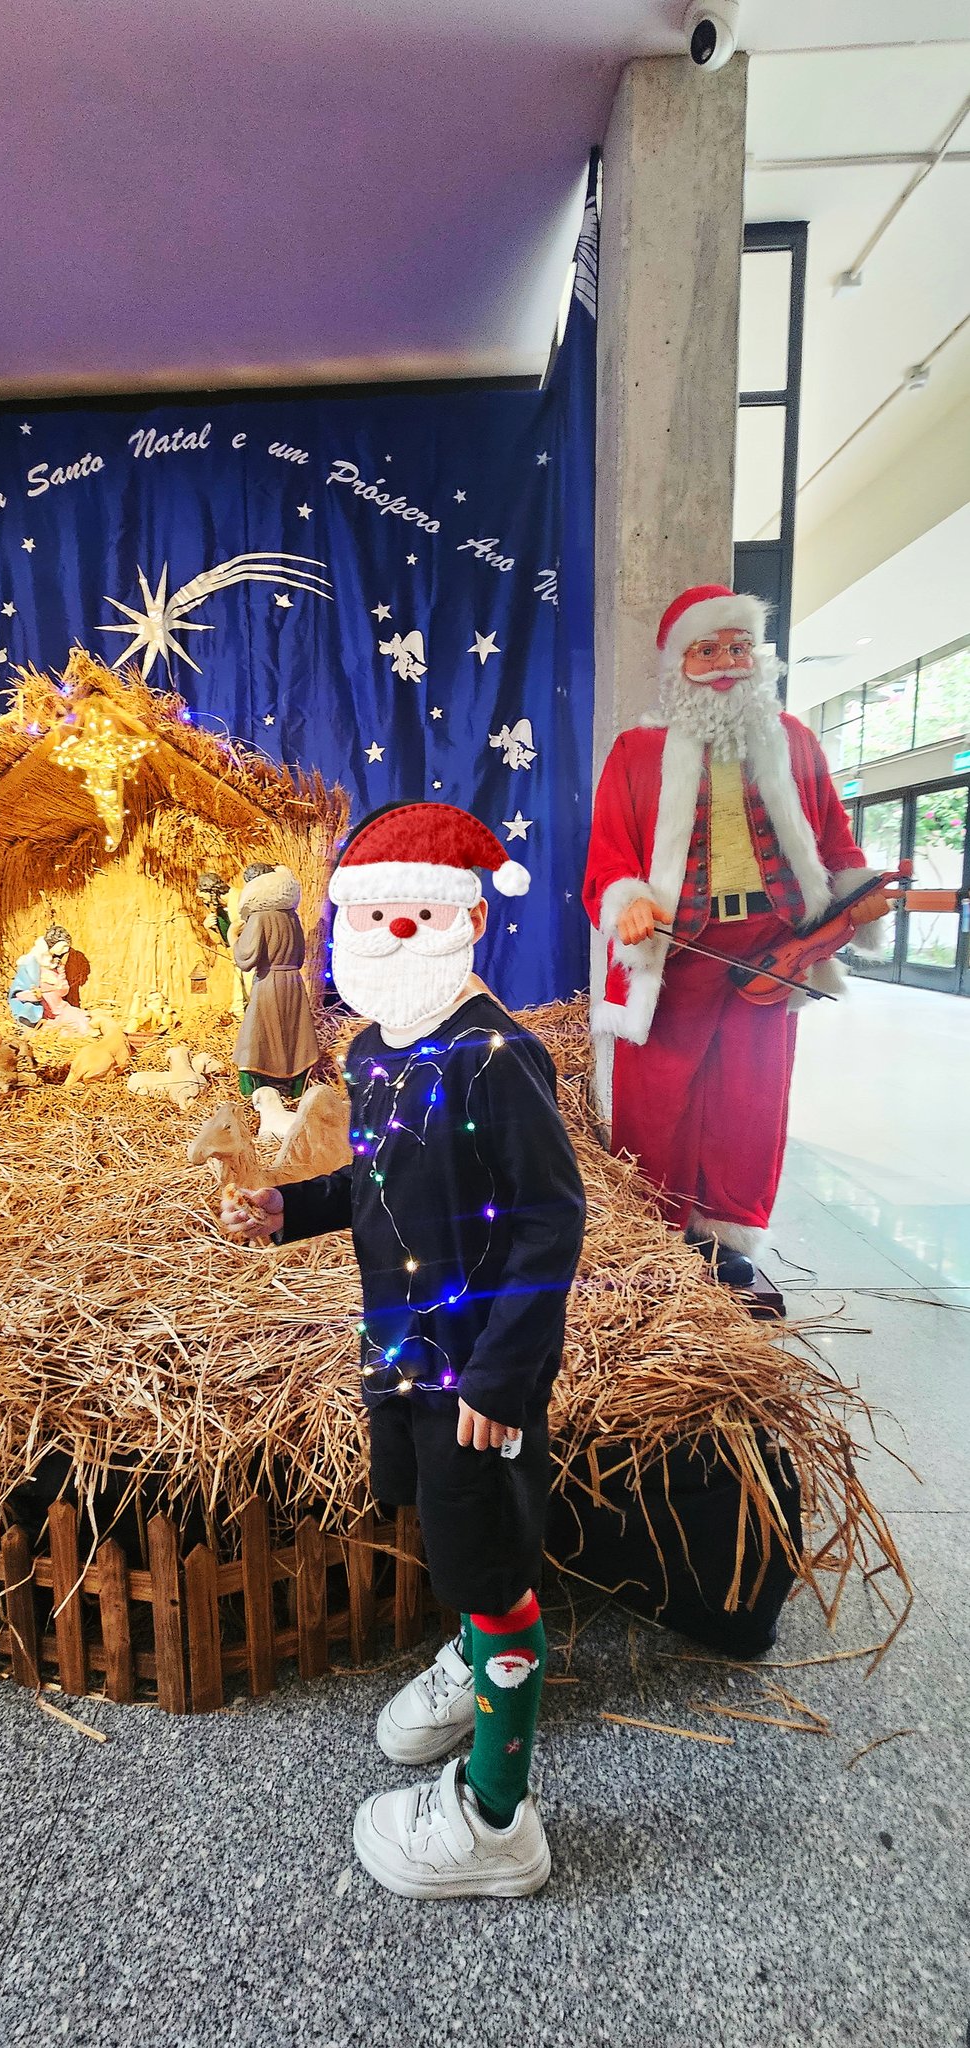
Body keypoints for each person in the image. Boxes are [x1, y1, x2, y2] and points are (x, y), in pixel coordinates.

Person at [221, 804, 585, 1900]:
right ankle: (473, 1653)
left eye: (416, 916)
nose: (393, 933)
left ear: (463, 918)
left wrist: (503, 1373)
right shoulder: (377, 1047)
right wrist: (287, 1209)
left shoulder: (494, 1055)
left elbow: (550, 1219)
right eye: (374, 917)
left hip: (476, 1372)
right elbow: (380, 1179)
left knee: (494, 1569)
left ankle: (495, 1817)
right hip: (403, 1354)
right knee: (453, 1532)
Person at [584, 586, 893, 1287]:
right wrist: (627, 901)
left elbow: (835, 840)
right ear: (678, 664)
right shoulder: (637, 751)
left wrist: (859, 894)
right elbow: (608, 857)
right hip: (677, 954)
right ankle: (653, 1240)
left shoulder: (796, 742)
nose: (726, 663)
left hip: (773, 951)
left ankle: (726, 1238)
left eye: (738, 647)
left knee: (751, 1097)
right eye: (706, 650)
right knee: (656, 1098)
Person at [230, 862, 320, 1101]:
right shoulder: (292, 917)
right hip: (293, 982)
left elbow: (246, 958)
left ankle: (257, 1090)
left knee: (257, 1036)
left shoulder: (259, 917)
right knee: (294, 1034)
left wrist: (232, 937)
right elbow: (299, 957)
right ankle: (294, 1086)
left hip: (268, 982)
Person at [8, 926, 91, 1036]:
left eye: (67, 947)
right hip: (41, 1011)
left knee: (82, 1021)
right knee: (61, 1031)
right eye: (63, 946)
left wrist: (59, 985)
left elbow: (64, 990)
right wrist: (37, 995)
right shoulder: (30, 963)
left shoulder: (56, 965)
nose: (66, 950)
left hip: (59, 1007)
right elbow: (18, 994)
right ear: (53, 943)